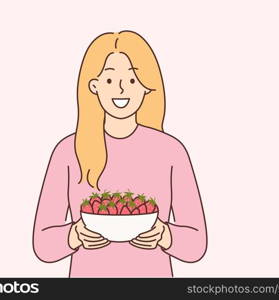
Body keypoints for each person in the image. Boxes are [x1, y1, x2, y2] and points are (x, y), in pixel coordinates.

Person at [33, 31, 207, 277]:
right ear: (94, 86)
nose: (122, 89)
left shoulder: (171, 151)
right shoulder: (67, 151)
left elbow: (197, 244)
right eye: (110, 80)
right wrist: (74, 235)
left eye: (133, 80)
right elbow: (42, 244)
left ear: (147, 87)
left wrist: (165, 235)